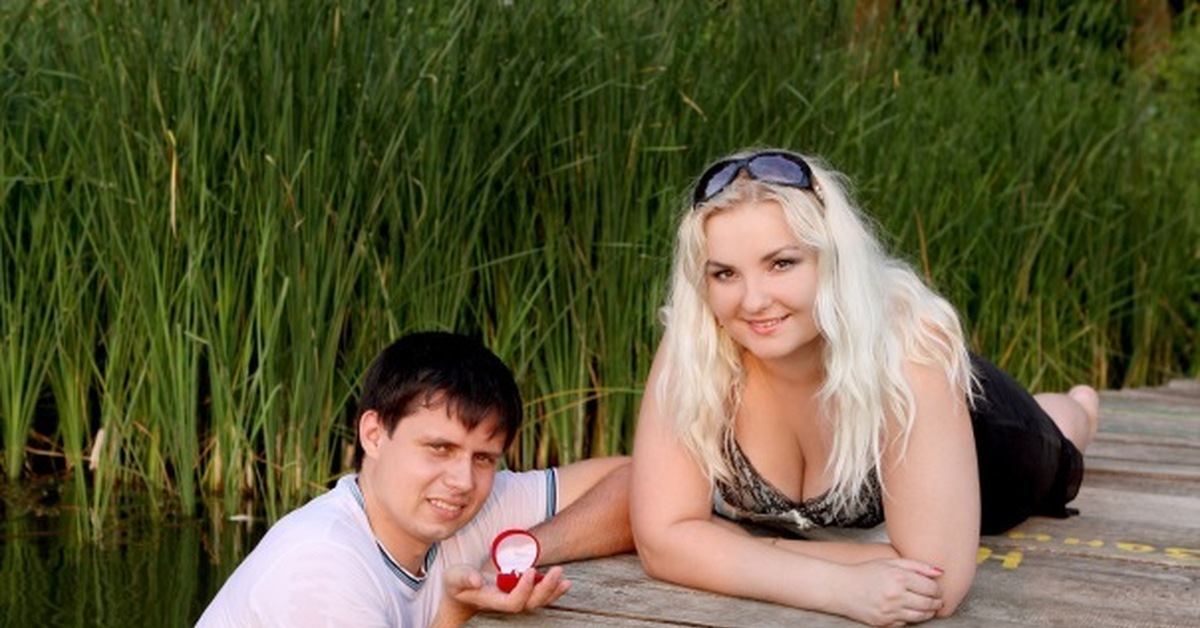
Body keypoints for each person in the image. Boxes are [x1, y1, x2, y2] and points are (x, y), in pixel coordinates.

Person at [630, 149, 1100, 627]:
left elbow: (935, 581)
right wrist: (833, 585)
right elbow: (661, 542)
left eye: (782, 263)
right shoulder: (697, 340)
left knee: (1059, 432)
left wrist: (727, 546)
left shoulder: (913, 350)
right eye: (725, 273)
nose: (753, 301)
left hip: (993, 437)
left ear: (833, 259)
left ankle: (1078, 408)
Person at [197, 331, 632, 627]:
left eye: (483, 457)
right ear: (374, 434)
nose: (463, 480)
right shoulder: (322, 565)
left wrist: (519, 551)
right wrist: (453, 614)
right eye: (439, 448)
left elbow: (638, 485)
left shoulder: (470, 505)